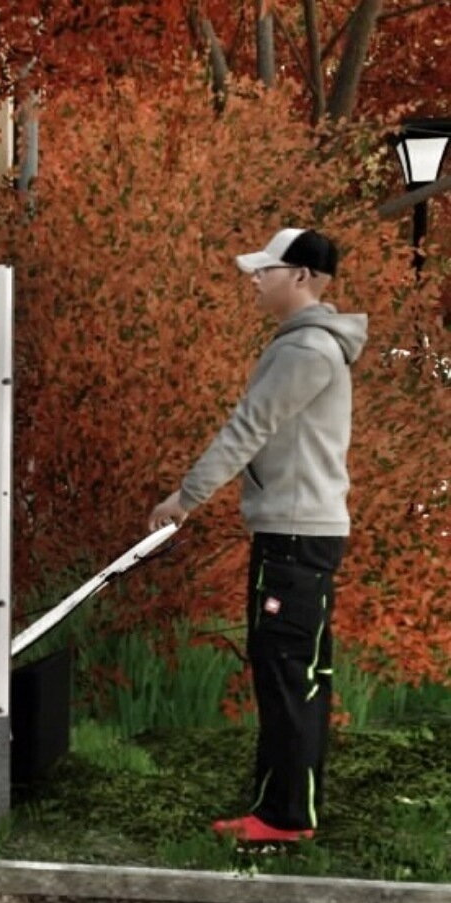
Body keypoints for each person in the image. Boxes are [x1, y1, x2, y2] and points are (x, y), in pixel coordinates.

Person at [148, 227, 368, 843]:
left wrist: (185, 498)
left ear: (301, 277)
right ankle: (286, 809)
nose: (255, 279)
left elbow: (248, 428)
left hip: (294, 536)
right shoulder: (305, 345)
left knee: (286, 672)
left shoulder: (307, 351)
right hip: (295, 532)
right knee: (293, 671)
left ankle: (283, 819)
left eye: (266, 269)